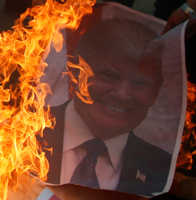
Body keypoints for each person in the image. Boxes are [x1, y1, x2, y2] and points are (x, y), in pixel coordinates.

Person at [37, 19, 172, 197]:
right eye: (108, 76)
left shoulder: (163, 169)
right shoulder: (16, 136)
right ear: (75, 72)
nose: (122, 94)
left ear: (155, 92)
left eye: (140, 84)